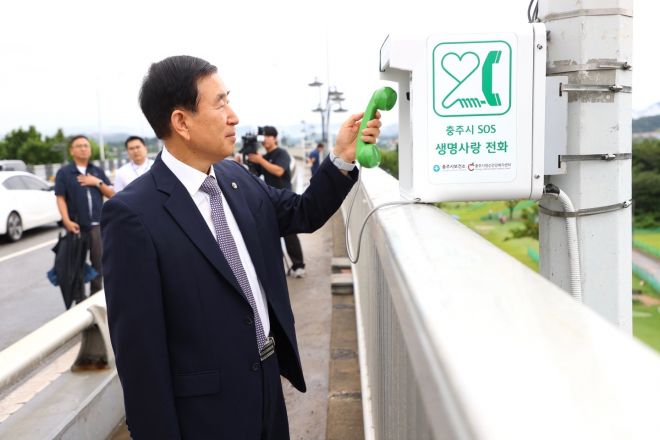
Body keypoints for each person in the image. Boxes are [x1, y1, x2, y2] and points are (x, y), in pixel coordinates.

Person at [101, 55, 380, 440]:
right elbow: (139, 356)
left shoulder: (235, 177)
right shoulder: (133, 215)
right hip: (206, 417)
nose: (233, 117)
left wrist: (341, 158)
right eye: (220, 104)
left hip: (267, 389)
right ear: (181, 121)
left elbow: (301, 212)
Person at [55, 135, 114, 296]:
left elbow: (112, 194)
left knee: (99, 264)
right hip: (76, 226)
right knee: (76, 266)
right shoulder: (65, 173)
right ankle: (79, 299)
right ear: (71, 151)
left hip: (97, 226)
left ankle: (95, 296)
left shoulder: (97, 171)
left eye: (86, 145)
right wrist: (66, 221)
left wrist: (97, 182)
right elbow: (60, 198)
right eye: (79, 146)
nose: (83, 148)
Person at [247, 126, 306, 278]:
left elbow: (279, 171)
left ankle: (299, 266)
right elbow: (253, 175)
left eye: (268, 136)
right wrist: (247, 161)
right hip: (269, 200)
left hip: (285, 200)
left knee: (290, 234)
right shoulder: (265, 157)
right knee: (271, 234)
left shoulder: (282, 153)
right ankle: (276, 267)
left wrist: (260, 160)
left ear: (275, 138)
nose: (265, 139)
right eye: (263, 136)